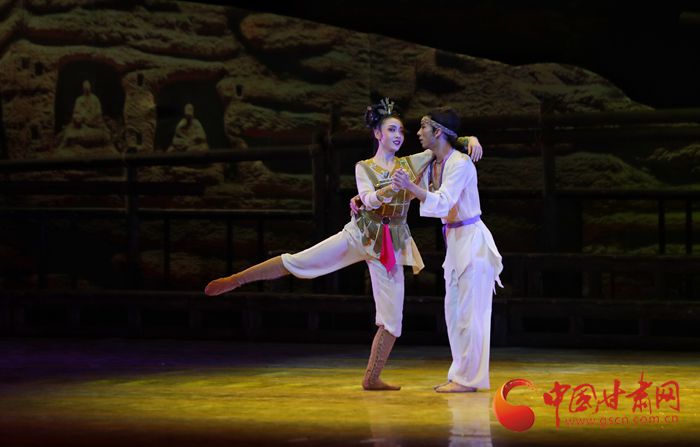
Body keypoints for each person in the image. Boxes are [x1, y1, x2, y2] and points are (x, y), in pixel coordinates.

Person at [204, 98, 481, 391]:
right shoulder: (365, 167)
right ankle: (238, 279)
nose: (398, 135)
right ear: (377, 134)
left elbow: (445, 142)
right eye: (391, 129)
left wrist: (470, 140)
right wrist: (387, 190)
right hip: (360, 234)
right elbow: (369, 198)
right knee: (301, 261)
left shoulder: (412, 163)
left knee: (392, 319)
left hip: (392, 243)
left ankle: (372, 377)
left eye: (401, 130)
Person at [392, 107, 503, 393]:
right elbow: (408, 189)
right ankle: (460, 375)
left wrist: (412, 187)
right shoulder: (432, 161)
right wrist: (365, 199)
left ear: (438, 132)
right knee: (453, 314)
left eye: (423, 127)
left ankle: (470, 379)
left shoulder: (461, 164)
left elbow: (443, 200)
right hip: (454, 242)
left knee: (470, 315)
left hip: (472, 242)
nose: (418, 133)